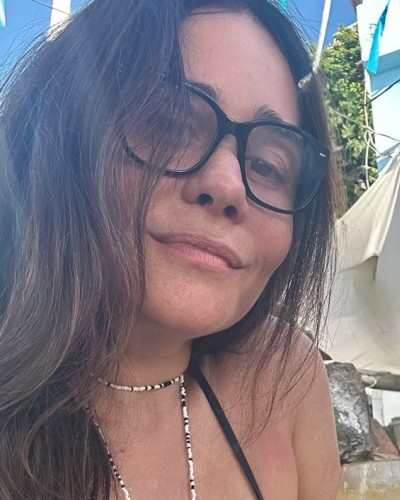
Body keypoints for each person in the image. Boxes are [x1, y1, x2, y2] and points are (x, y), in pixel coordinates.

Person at [0, 0, 342, 498]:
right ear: (62, 137)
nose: (228, 185)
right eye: (171, 125)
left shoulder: (284, 374)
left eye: (268, 166)